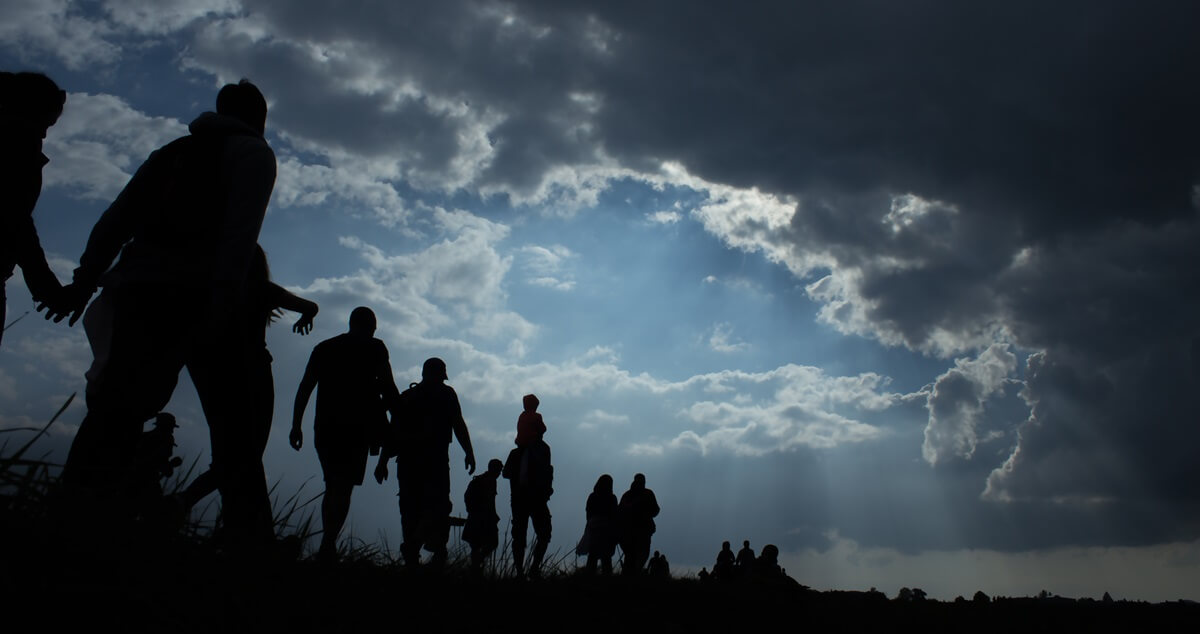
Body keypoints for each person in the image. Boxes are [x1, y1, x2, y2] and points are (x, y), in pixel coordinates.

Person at [47, 80, 275, 550]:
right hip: (200, 296)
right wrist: (223, 301)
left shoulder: (173, 151)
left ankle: (72, 520)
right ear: (260, 117)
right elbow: (240, 236)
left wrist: (86, 279)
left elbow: (118, 217)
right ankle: (249, 544)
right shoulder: (252, 154)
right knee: (236, 428)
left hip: (140, 289)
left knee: (118, 410)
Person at [179, 245, 317, 513]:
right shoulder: (263, 290)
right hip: (254, 372)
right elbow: (311, 306)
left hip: (215, 372)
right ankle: (188, 503)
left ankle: (187, 503)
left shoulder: (213, 289)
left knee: (227, 452)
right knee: (249, 454)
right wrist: (305, 316)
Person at [291, 306, 399, 561]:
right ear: (372, 327)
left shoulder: (324, 348)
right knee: (343, 487)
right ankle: (328, 543)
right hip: (357, 429)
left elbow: (305, 388)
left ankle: (328, 544)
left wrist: (296, 425)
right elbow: (388, 386)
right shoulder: (375, 348)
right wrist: (397, 422)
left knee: (334, 484)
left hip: (326, 427)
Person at [374, 357, 475, 567]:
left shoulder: (408, 396)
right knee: (436, 506)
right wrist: (469, 452)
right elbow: (458, 424)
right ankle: (417, 547)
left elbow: (393, 432)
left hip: (409, 461)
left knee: (411, 508)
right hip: (433, 460)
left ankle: (416, 551)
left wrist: (383, 462)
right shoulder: (446, 394)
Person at [1, 71, 66, 349]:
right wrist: (46, 287)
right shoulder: (16, 145)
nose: (43, 133)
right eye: (45, 124)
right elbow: (13, 219)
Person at [503, 426, 553, 578]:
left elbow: (548, 471)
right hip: (524, 499)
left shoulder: (543, 450)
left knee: (542, 534)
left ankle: (531, 568)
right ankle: (522, 571)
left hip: (532, 499)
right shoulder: (519, 453)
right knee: (521, 536)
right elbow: (506, 473)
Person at [462, 458, 503, 570]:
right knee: (480, 545)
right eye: (498, 470)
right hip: (481, 518)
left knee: (482, 544)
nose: (500, 473)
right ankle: (475, 568)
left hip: (483, 518)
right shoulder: (483, 481)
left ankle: (475, 566)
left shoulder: (488, 480)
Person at [617, 473, 659, 575]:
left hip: (632, 532)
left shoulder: (627, 495)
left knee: (632, 556)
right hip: (638, 532)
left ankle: (629, 577)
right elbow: (656, 510)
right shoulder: (647, 493)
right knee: (639, 556)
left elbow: (619, 512)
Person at [583, 474, 618, 575]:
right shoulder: (612, 498)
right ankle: (606, 581)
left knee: (593, 555)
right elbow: (615, 515)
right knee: (606, 557)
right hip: (607, 530)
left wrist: (591, 524)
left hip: (594, 528)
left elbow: (588, 513)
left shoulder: (593, 496)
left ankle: (589, 579)